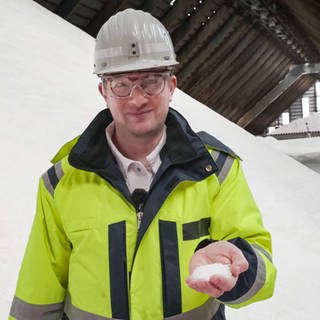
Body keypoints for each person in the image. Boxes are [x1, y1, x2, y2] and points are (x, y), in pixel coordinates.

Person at [9, 8, 276, 320]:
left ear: (172, 87)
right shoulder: (61, 183)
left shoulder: (216, 170)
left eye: (151, 81)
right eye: (121, 84)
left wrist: (236, 266)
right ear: (103, 91)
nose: (137, 98)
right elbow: (36, 298)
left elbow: (261, 266)